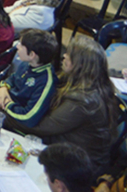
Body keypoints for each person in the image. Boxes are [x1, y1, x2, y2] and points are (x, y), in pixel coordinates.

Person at [19, 36, 118, 171]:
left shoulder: (83, 101)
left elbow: (42, 127)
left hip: (80, 168)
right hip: (69, 151)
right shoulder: (89, 83)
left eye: (70, 55)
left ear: (81, 64)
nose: (64, 56)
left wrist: (6, 111)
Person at [0, 28, 58, 129]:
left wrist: (5, 103)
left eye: (21, 45)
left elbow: (28, 118)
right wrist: (3, 89)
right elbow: (13, 78)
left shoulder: (46, 82)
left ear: (32, 55)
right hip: (4, 109)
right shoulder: (27, 64)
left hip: (15, 125)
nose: (17, 46)